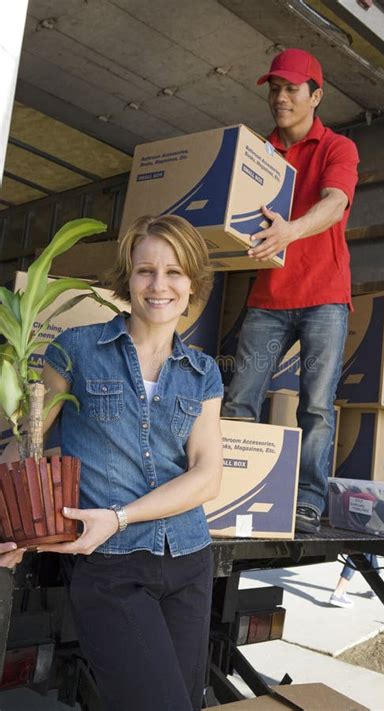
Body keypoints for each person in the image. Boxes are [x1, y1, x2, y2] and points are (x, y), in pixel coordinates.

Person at [36, 214, 224, 711]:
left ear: (192, 283)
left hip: (188, 560)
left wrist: (123, 515)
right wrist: (14, 526)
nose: (159, 286)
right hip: (109, 566)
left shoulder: (203, 372)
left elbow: (208, 475)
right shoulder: (75, 350)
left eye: (174, 272)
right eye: (146, 271)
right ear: (128, 277)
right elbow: (25, 442)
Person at [222, 48, 359, 533]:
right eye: (274, 88)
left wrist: (288, 232)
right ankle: (232, 484)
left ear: (315, 96)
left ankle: (307, 499)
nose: (281, 97)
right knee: (241, 396)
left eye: (292, 89)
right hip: (268, 300)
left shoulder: (337, 148)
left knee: (317, 406)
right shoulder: (260, 151)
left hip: (324, 298)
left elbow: (336, 203)